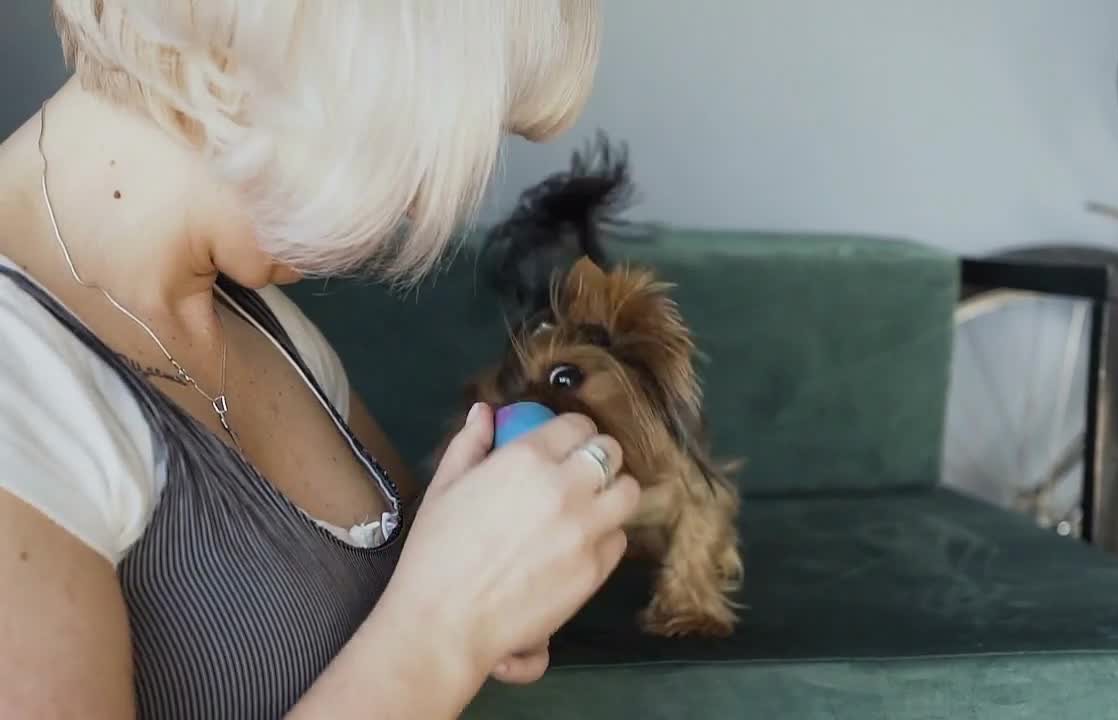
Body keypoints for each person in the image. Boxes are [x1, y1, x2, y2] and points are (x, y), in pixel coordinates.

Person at [0, 2, 641, 718]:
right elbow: (420, 633)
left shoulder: (258, 319)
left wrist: (502, 577)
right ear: (236, 62)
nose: (422, 202)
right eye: (411, 136)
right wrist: (441, 632)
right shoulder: (18, 374)